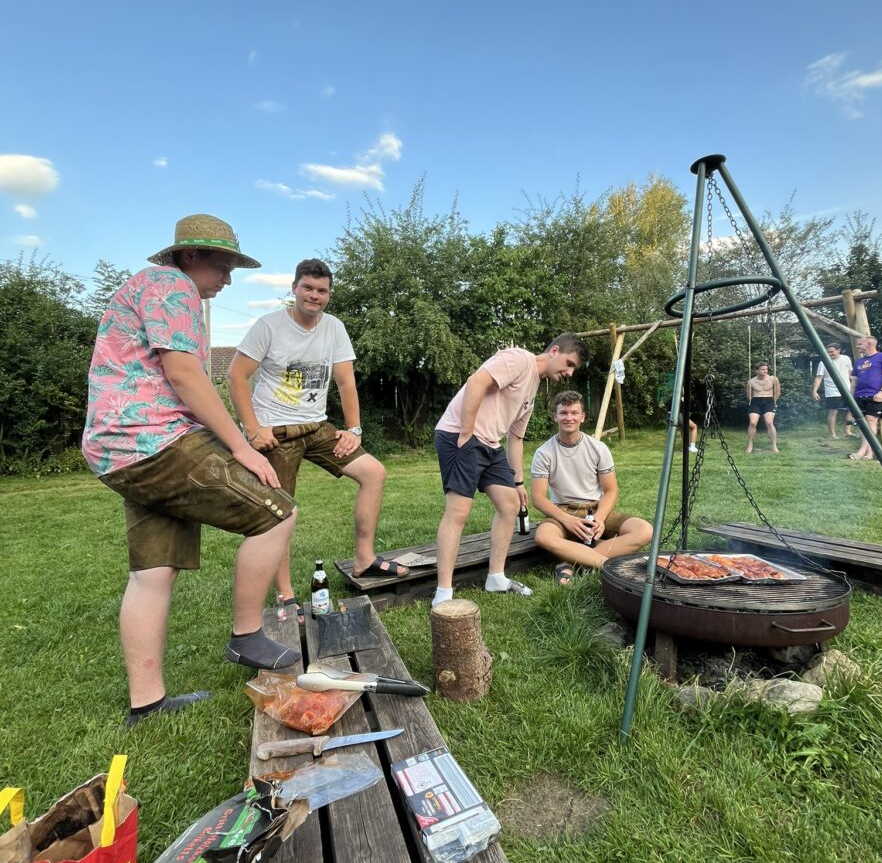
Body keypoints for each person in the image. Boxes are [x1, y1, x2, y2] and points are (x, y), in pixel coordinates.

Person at [82, 215, 302, 726]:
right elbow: (183, 374)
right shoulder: (170, 284)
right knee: (277, 513)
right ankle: (246, 634)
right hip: (154, 438)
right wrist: (241, 447)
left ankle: (147, 703)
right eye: (222, 266)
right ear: (190, 256)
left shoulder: (155, 289)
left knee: (153, 571)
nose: (227, 278)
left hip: (119, 449)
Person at [228, 258, 408, 603]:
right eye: (308, 288)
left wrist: (353, 429)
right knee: (280, 511)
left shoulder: (334, 328)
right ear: (294, 288)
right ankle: (285, 593)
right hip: (275, 431)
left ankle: (364, 559)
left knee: (373, 472)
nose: (314, 295)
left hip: (316, 426)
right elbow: (237, 376)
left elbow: (345, 381)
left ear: (329, 294)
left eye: (321, 290)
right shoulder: (269, 326)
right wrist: (252, 429)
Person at [432, 334, 589, 605]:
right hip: (459, 434)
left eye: (574, 369)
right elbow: (476, 381)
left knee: (510, 504)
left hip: (490, 442)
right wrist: (466, 432)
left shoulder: (533, 388)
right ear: (554, 351)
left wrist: (518, 482)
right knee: (458, 511)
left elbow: (515, 437)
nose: (569, 373)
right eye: (569, 363)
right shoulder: (519, 359)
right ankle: (443, 593)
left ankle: (496, 577)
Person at [531, 390, 653, 584]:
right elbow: (538, 498)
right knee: (543, 536)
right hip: (563, 511)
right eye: (563, 413)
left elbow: (611, 490)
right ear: (555, 417)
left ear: (582, 417)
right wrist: (568, 521)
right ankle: (607, 565)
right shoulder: (543, 453)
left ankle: (570, 563)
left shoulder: (598, 448)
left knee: (644, 530)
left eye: (574, 413)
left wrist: (600, 518)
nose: (569, 418)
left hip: (595, 508)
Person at [848, 334, 882, 461]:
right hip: (859, 395)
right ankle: (869, 453)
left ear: (870, 344)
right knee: (863, 423)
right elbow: (854, 381)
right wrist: (851, 398)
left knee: (870, 420)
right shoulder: (859, 362)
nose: (857, 346)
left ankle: (861, 451)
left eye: (860, 344)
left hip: (875, 395)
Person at [811, 343, 854, 439]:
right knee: (833, 412)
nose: (830, 354)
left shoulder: (846, 359)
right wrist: (814, 391)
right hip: (832, 391)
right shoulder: (823, 362)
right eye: (828, 352)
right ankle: (832, 433)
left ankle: (847, 431)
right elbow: (819, 378)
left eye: (832, 352)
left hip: (847, 390)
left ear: (839, 350)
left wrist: (853, 386)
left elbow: (850, 374)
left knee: (851, 410)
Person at [745, 361, 781, 453]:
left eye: (766, 369)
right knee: (753, 423)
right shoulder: (751, 381)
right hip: (756, 401)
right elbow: (749, 395)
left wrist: (774, 401)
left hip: (769, 401)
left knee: (769, 422)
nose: (765, 371)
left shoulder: (773, 379)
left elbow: (777, 392)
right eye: (762, 369)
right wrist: (752, 402)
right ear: (757, 370)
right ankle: (750, 445)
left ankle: (774, 446)